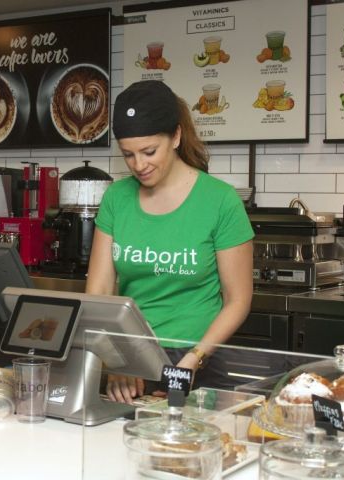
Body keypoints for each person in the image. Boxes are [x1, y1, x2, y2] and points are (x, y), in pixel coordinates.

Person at [85, 81, 254, 403]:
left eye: (149, 152)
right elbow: (98, 294)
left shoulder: (220, 201)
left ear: (176, 136)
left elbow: (237, 300)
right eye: (128, 155)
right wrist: (117, 356)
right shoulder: (117, 198)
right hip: (132, 360)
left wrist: (193, 360)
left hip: (199, 359)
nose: (138, 165)